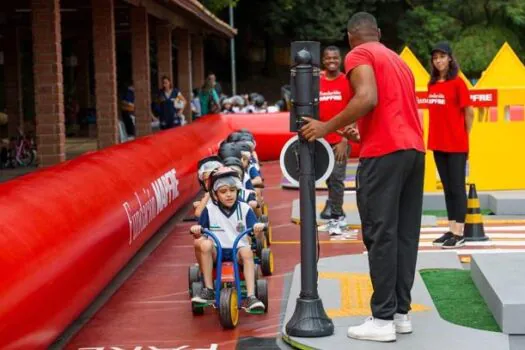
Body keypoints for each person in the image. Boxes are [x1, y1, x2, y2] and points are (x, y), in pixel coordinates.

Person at [300, 12, 425, 342]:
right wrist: (361, 135)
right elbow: (391, 111)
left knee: (380, 233)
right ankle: (400, 314)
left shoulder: (360, 54)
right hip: (413, 150)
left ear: (350, 37)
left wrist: (325, 126)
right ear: (379, 32)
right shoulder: (398, 61)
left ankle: (381, 319)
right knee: (404, 235)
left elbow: (367, 97)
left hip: (384, 155)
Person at [190, 167, 265, 311]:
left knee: (247, 251)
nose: (229, 195)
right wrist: (197, 231)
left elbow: (256, 234)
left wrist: (258, 230)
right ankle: (209, 290)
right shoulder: (210, 210)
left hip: (237, 250)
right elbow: (200, 231)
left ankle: (250, 296)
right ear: (216, 195)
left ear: (237, 191)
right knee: (205, 244)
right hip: (217, 250)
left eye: (232, 190)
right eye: (223, 192)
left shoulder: (244, 209)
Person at [427, 42, 474, 249]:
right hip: (438, 143)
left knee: (457, 188)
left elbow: (469, 112)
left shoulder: (458, 83)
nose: (438, 61)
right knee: (447, 188)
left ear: (450, 59)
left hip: (456, 144)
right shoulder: (433, 84)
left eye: (442, 57)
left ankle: (460, 233)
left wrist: (464, 135)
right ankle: (452, 228)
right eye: (435, 58)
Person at [318, 46, 353, 234]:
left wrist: (345, 139)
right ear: (323, 60)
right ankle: (335, 215)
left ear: (340, 60)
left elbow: (353, 111)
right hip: (322, 140)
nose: (332, 61)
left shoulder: (346, 81)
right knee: (329, 180)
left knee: (337, 178)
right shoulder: (318, 82)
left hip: (340, 140)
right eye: (328, 58)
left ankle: (338, 218)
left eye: (335, 58)